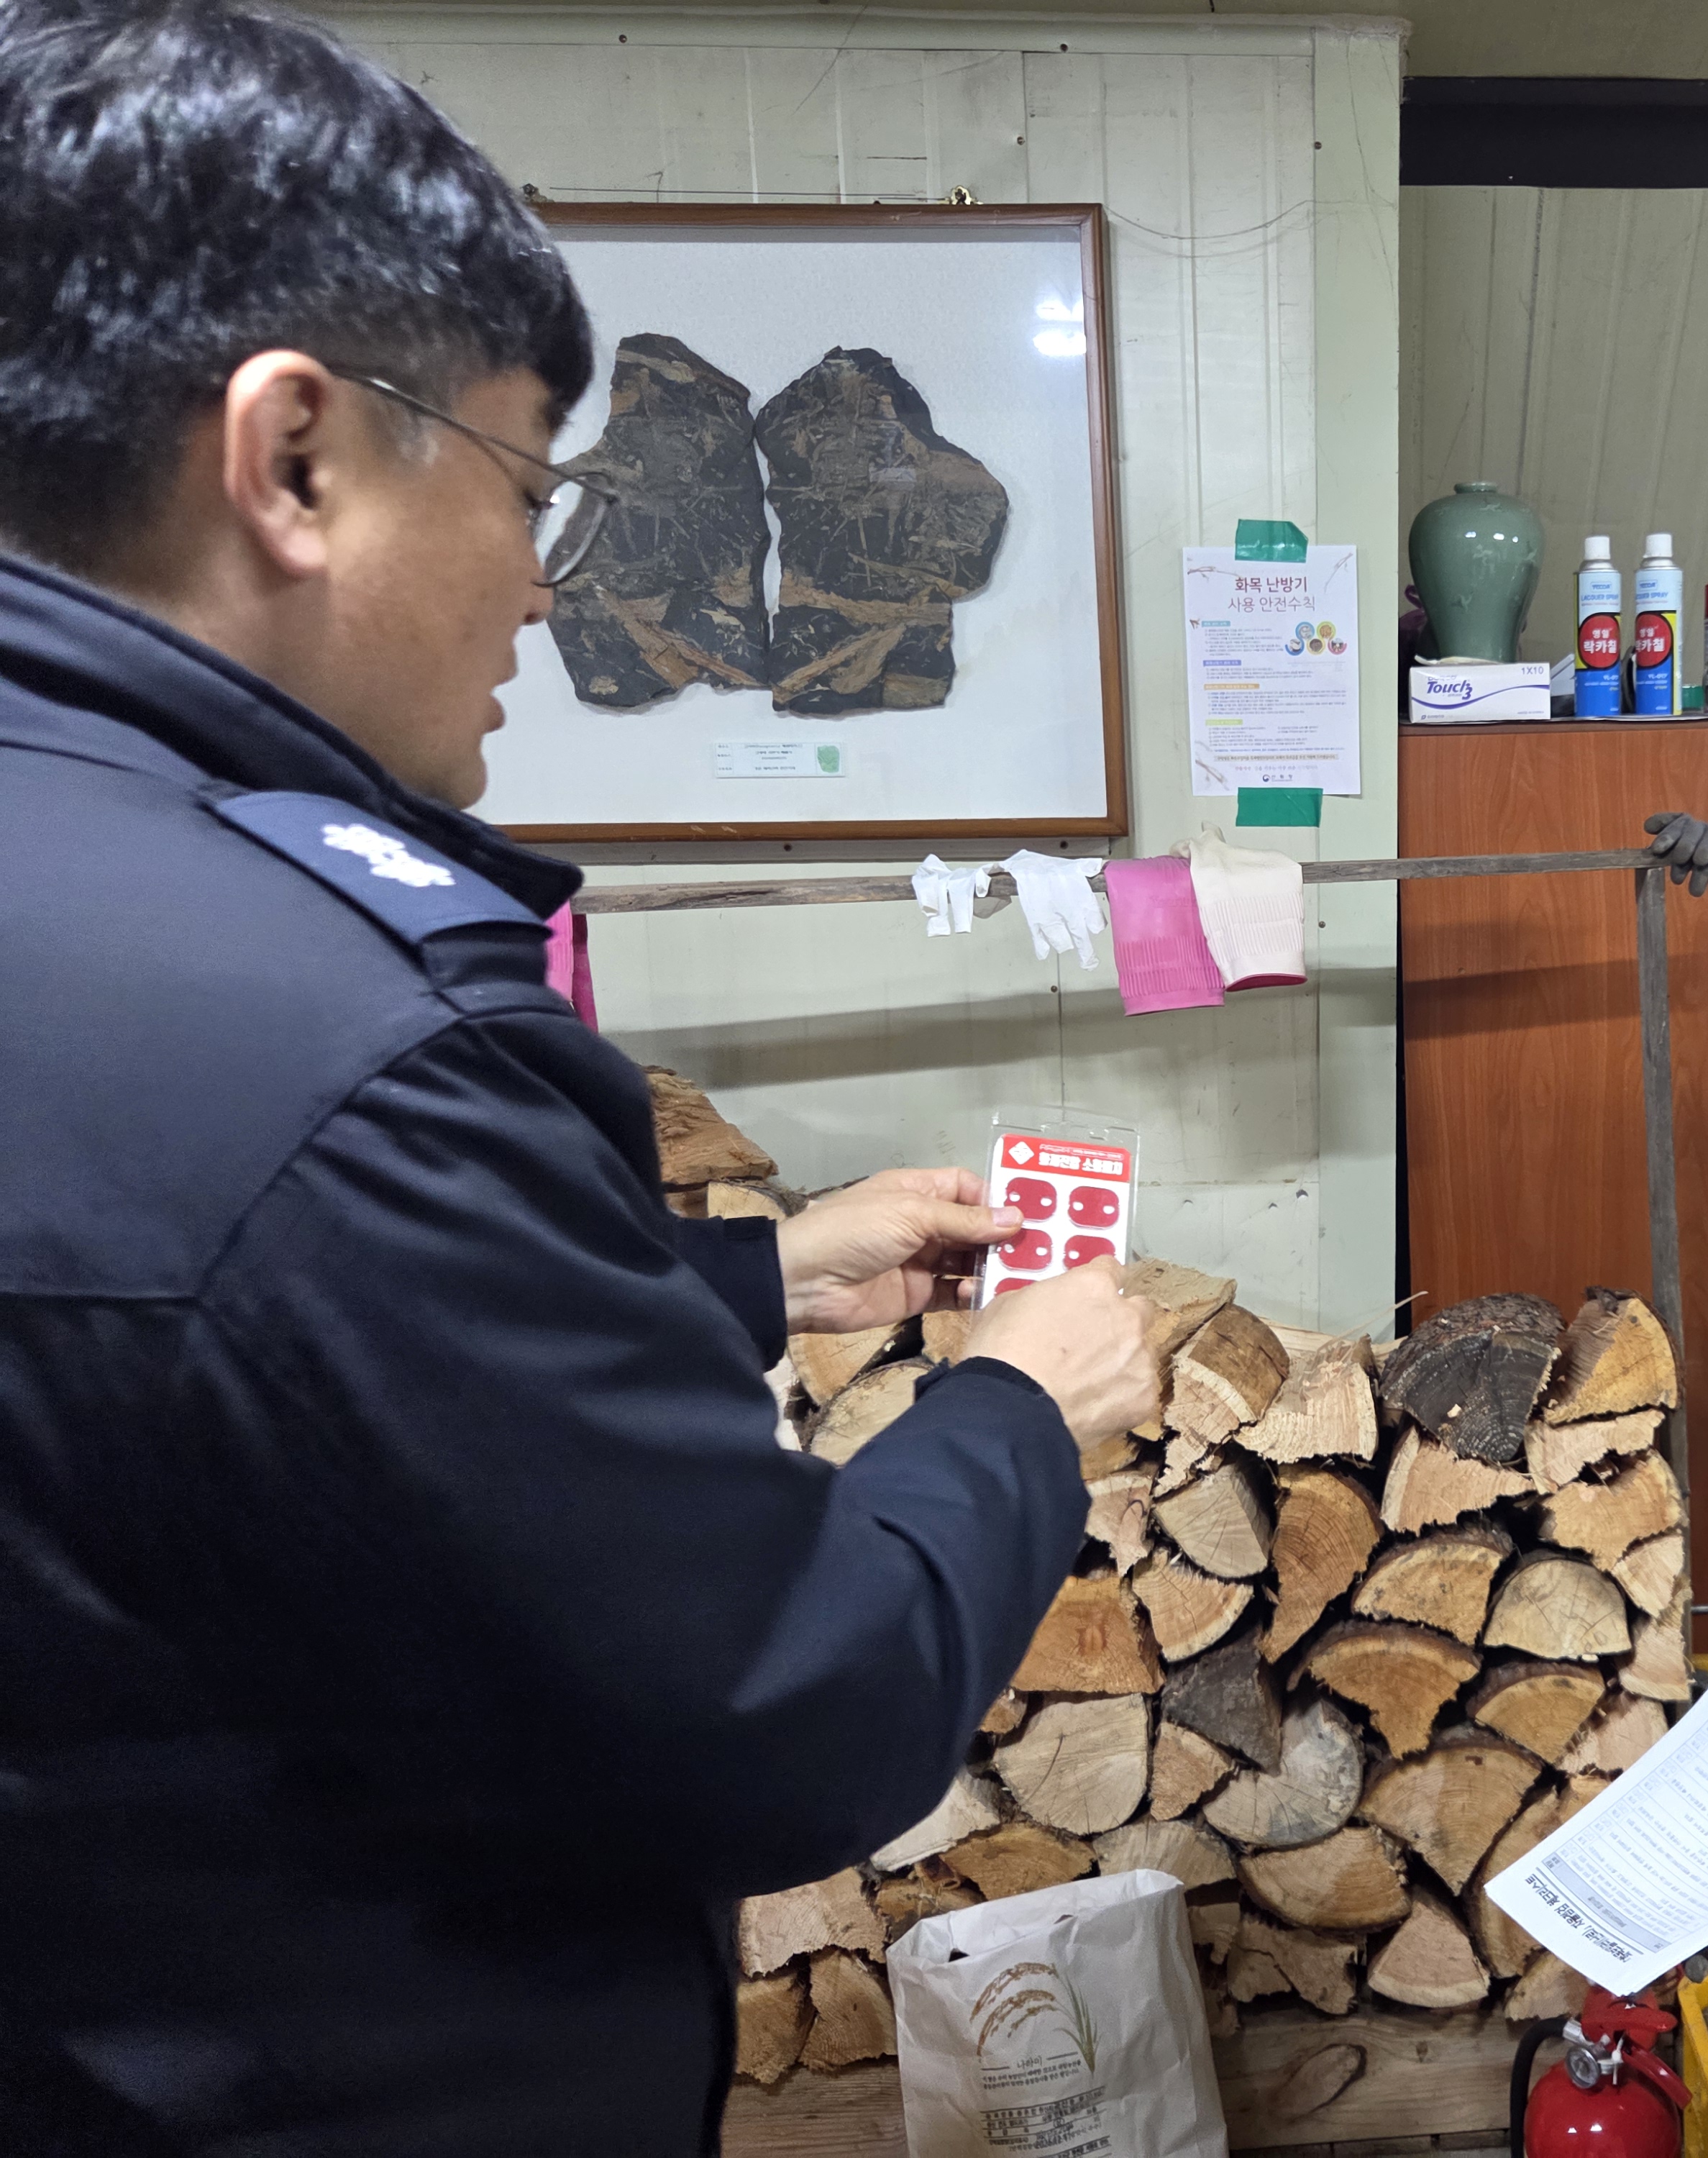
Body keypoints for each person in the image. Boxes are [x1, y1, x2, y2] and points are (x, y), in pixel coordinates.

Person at [0, 2, 1157, 2150]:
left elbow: (226, 1351)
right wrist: (1019, 1408)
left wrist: (759, 1276)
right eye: (532, 487)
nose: (546, 585)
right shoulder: (341, 1042)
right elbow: (788, 1705)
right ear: (295, 457)